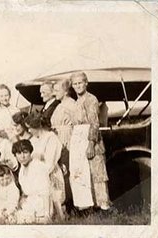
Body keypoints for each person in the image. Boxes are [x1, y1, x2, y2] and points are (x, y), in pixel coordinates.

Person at [69, 71, 111, 211]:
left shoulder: (91, 99)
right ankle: (90, 207)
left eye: (80, 83)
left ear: (86, 83)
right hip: (79, 142)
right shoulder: (76, 102)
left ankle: (104, 207)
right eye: (75, 84)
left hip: (91, 141)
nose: (78, 86)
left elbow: (94, 123)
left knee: (98, 175)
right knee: (85, 176)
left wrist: (91, 144)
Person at [26, 114, 65, 220]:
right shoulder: (33, 140)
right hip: (38, 173)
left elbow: (51, 159)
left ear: (37, 126)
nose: (29, 131)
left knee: (54, 196)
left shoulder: (51, 137)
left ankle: (60, 216)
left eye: (30, 128)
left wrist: (42, 170)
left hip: (50, 172)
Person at [51, 78, 77, 210]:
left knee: (67, 171)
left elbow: (76, 124)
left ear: (66, 91)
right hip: (58, 140)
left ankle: (72, 204)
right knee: (61, 172)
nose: (54, 92)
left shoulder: (71, 105)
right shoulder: (60, 105)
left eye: (57, 90)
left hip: (67, 140)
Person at [13, 140, 51, 223]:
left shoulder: (38, 166)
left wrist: (47, 214)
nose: (22, 156)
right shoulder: (22, 169)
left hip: (42, 203)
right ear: (15, 156)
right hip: (30, 201)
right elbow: (25, 192)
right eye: (19, 153)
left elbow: (46, 192)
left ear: (30, 152)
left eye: (25, 152)